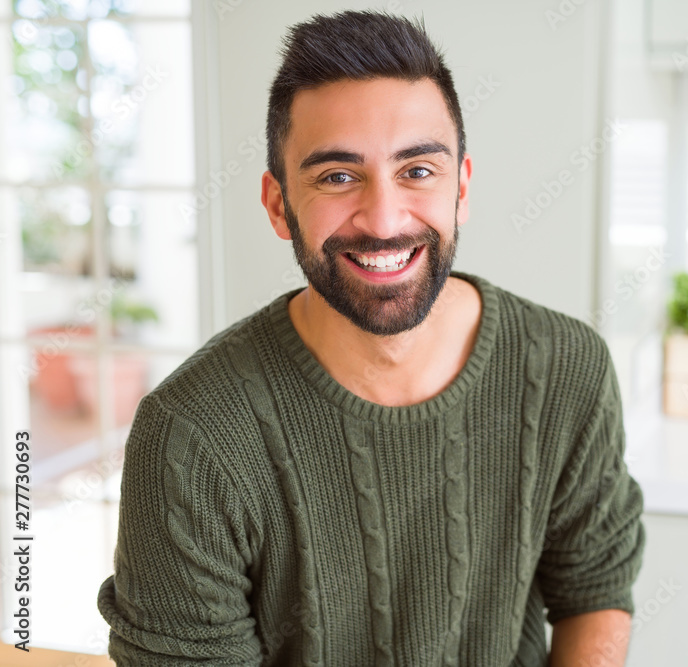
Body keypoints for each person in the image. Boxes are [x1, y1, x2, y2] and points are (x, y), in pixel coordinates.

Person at [96, 10, 645, 666]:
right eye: (337, 176)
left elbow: (595, 589)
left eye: (417, 171)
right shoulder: (192, 437)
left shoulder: (567, 369)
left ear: (461, 187)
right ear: (278, 205)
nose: (384, 219)